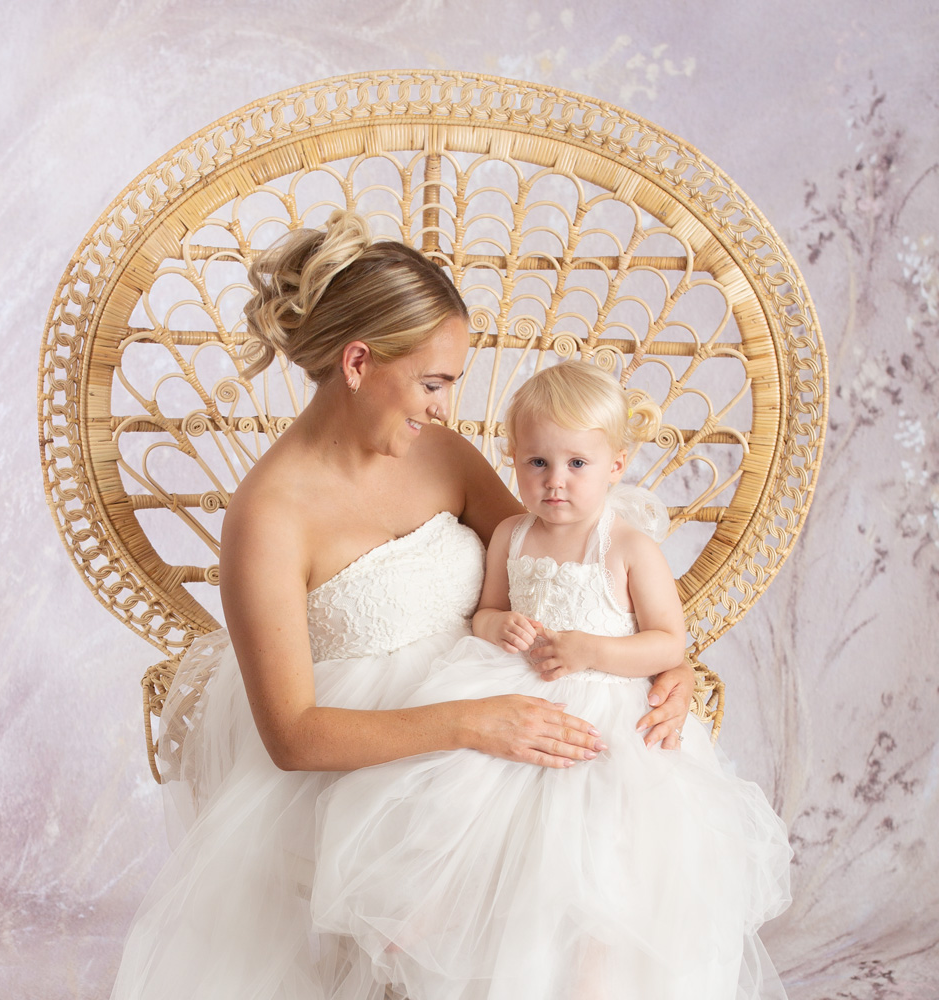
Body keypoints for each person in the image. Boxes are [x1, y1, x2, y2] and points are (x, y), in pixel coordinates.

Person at [109, 211, 696, 1000]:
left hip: (495, 701)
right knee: (483, 846)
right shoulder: (270, 516)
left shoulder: (442, 457)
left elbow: (555, 562)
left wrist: (669, 661)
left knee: (599, 824)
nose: (446, 408)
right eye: (433, 382)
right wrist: (473, 722)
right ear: (358, 363)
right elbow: (292, 735)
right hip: (368, 750)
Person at [310, 361, 793, 1000]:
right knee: (463, 804)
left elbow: (668, 641)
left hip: (601, 713)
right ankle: (435, 922)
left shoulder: (626, 547)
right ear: (513, 461)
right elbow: (483, 613)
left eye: (577, 465)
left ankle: (591, 974)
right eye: (536, 463)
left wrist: (593, 650)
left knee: (596, 839)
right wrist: (499, 627)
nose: (555, 482)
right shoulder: (511, 535)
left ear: (616, 466)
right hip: (510, 690)